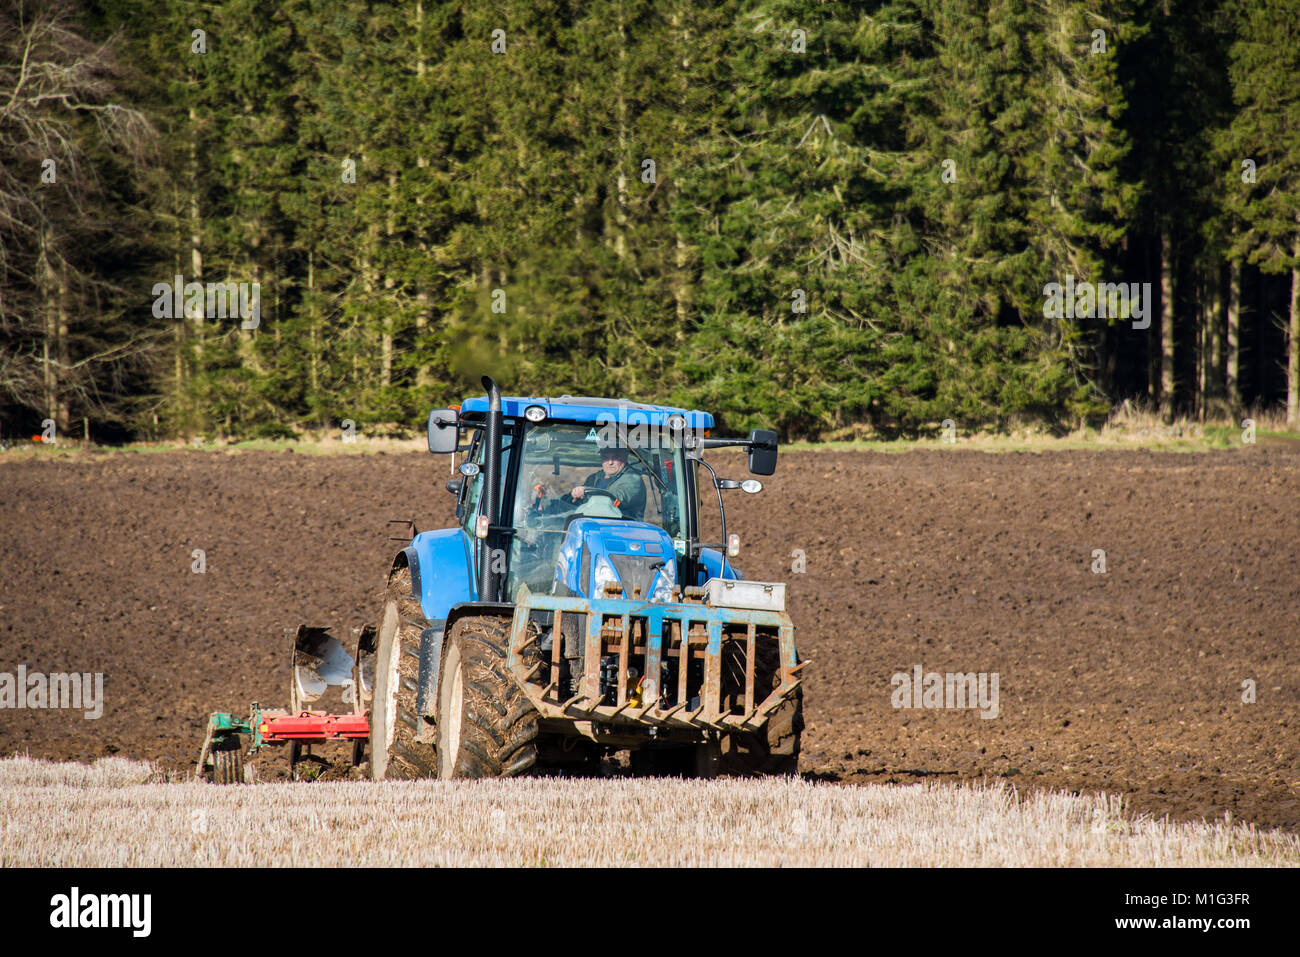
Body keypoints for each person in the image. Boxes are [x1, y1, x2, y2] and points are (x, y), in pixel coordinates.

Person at [568, 445, 646, 520]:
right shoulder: (594, 478)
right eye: (606, 457)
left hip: (624, 527)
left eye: (615, 457)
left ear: (625, 457)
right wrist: (561, 501)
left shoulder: (633, 479)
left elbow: (617, 499)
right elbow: (576, 499)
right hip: (591, 523)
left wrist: (586, 490)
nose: (610, 462)